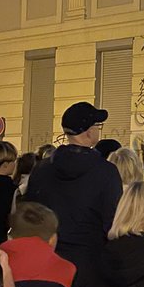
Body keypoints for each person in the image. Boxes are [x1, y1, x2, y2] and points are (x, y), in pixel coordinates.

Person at [25, 103, 122, 276]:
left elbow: (30, 211)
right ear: (89, 132)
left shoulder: (41, 169)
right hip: (90, 261)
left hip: (47, 258)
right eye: (98, 126)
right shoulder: (106, 171)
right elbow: (113, 218)